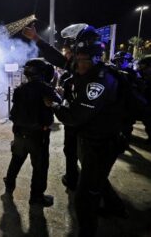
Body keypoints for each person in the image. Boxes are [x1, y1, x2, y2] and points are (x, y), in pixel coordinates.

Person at [41, 25, 128, 236]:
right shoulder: (88, 67)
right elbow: (61, 61)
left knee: (84, 199)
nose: (75, 64)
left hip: (101, 144)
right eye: (76, 58)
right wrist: (37, 39)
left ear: (93, 58)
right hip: (95, 140)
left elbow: (73, 117)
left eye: (80, 59)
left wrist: (54, 105)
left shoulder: (98, 82)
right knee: (96, 180)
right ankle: (116, 207)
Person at [22, 25, 79, 190]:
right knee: (71, 152)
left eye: (69, 53)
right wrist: (37, 39)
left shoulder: (100, 75)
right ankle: (72, 177)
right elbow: (58, 59)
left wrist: (55, 104)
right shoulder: (74, 70)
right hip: (71, 124)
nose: (66, 57)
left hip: (90, 130)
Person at [3, 59, 61, 207]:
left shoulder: (20, 89)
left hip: (19, 134)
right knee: (40, 168)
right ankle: (36, 197)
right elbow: (59, 102)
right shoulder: (46, 89)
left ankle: (9, 185)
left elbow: (13, 114)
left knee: (16, 160)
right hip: (38, 137)